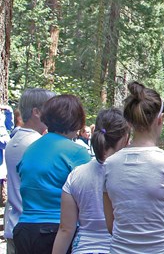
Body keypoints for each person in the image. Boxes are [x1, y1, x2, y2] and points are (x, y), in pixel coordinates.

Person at [103, 81, 164, 253]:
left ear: (129, 122)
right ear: (161, 119)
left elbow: (112, 226)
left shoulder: (109, 166)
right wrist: (163, 223)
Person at [13, 94, 91, 254]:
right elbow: (89, 196)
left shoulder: (31, 149)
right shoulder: (77, 152)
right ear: (76, 121)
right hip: (58, 232)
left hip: (24, 230)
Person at [52, 108, 131, 254]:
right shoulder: (133, 176)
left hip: (84, 249)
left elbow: (65, 230)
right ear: (126, 138)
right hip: (121, 248)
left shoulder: (76, 175)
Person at [4, 88, 56, 254]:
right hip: (32, 232)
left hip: (16, 226)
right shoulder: (36, 145)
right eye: (51, 109)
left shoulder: (15, 140)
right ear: (36, 112)